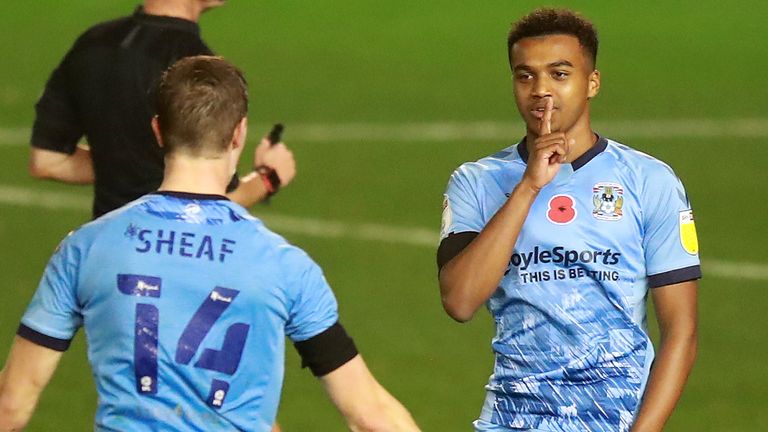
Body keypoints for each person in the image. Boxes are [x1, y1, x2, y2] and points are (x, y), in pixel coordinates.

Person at [0, 56, 419, 432]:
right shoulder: (284, 265)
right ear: (238, 134)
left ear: (158, 131)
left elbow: (11, 408)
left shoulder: (86, 249)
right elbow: (369, 414)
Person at [437, 8, 699, 432]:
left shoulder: (649, 181)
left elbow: (681, 334)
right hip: (510, 420)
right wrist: (529, 186)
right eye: (525, 76)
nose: (541, 90)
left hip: (616, 420)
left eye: (559, 74)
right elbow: (460, 300)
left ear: (591, 83)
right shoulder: (477, 182)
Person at [28, 0, 295, 219]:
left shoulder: (92, 44)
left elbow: (48, 162)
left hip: (106, 259)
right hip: (173, 266)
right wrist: (270, 177)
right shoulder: (197, 73)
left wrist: (122, 164)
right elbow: (215, 202)